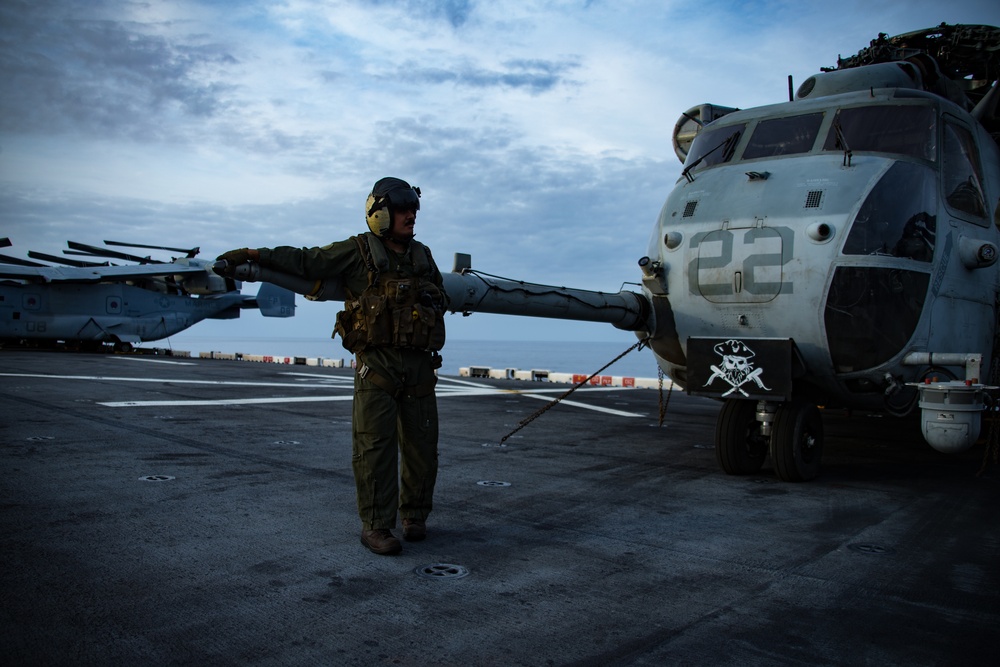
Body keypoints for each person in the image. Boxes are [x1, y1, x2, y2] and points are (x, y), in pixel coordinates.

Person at [215, 177, 447, 556]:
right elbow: (306, 261)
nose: (411, 216)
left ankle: (415, 516)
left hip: (420, 368)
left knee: (424, 447)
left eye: (414, 210)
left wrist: (430, 297)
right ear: (381, 214)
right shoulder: (357, 251)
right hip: (378, 369)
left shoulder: (422, 256)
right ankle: (376, 526)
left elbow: (441, 295)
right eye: (403, 210)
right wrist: (255, 255)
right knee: (375, 449)